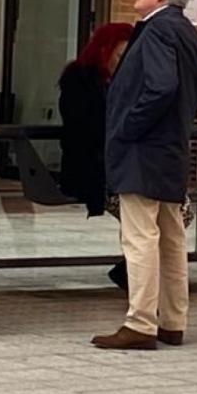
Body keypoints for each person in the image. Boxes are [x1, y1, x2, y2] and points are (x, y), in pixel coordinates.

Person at [92, 0, 197, 350]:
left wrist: (128, 125)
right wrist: (176, 120)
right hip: (172, 150)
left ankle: (141, 322)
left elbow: (161, 86)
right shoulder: (188, 33)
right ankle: (173, 320)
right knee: (172, 237)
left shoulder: (158, 30)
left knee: (141, 237)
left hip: (144, 151)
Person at [57, 22, 134, 288]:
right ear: (105, 51)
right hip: (95, 169)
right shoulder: (80, 82)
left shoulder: (124, 82)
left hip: (124, 169)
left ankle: (136, 271)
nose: (125, 62)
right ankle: (138, 275)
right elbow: (90, 129)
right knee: (144, 213)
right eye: (120, 55)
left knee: (174, 212)